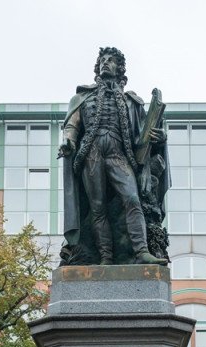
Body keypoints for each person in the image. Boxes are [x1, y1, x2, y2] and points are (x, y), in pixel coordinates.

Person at [58, 46, 169, 266]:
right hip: (91, 154)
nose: (105, 63)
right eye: (102, 60)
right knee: (97, 208)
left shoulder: (131, 101)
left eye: (111, 60)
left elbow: (144, 132)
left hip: (119, 154)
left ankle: (141, 252)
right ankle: (105, 258)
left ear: (119, 68)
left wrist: (161, 137)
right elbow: (72, 124)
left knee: (132, 199)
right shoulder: (82, 97)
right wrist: (69, 141)